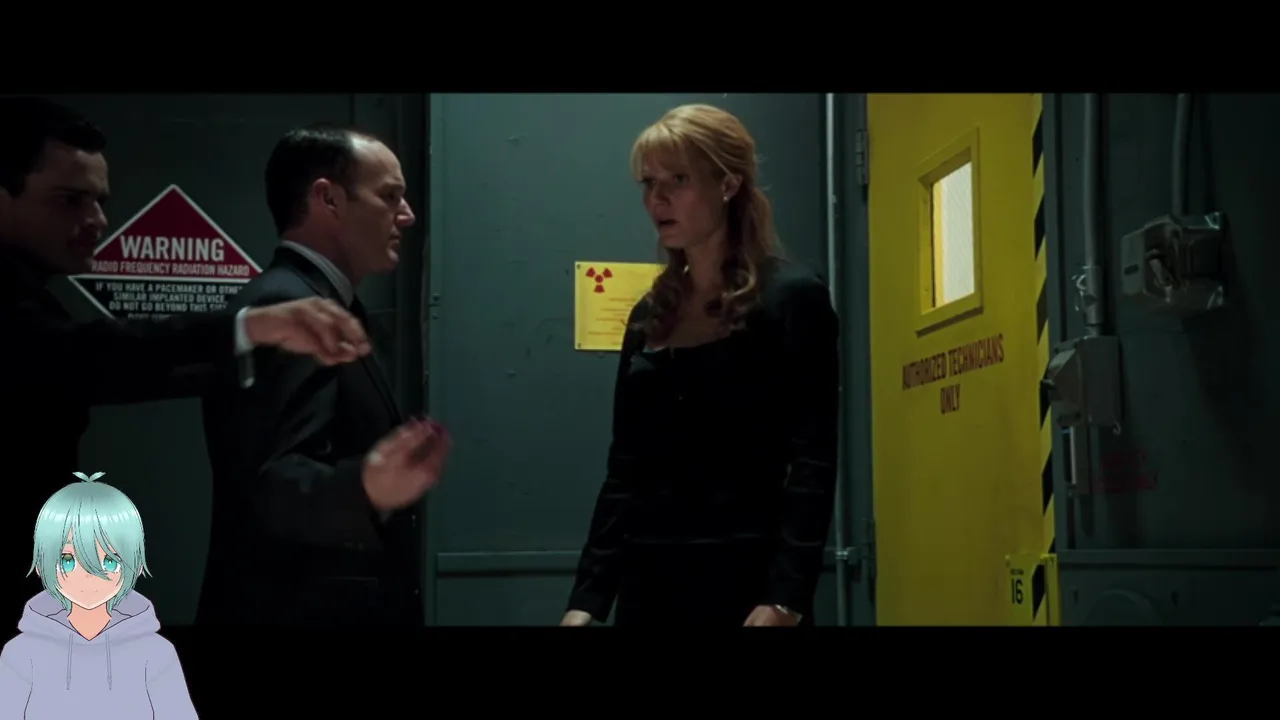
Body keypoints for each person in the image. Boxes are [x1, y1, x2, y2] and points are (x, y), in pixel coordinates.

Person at [0, 97, 373, 623]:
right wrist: (248, 328)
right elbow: (75, 355)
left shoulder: (33, 293)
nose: (97, 220)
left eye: (100, 200)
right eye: (69, 200)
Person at [561, 104, 840, 628]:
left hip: (746, 579)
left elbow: (813, 461)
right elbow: (624, 469)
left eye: (679, 180)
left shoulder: (791, 299)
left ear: (728, 184)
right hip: (650, 581)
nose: (657, 199)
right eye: (649, 183)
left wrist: (786, 597)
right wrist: (588, 599)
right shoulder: (650, 315)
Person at [197, 125, 451, 627]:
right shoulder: (288, 307)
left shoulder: (325, 303)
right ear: (329, 200)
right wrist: (369, 485)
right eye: (390, 196)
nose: (407, 215)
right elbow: (275, 481)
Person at [0, 472, 198, 718]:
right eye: (68, 560)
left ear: (136, 566)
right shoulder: (20, 655)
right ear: (42, 565)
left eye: (110, 561)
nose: (89, 577)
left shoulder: (157, 654)